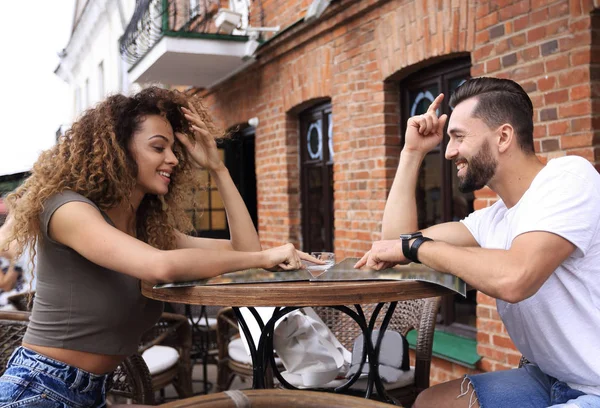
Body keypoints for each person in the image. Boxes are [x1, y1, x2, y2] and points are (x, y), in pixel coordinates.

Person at [0, 87, 319, 407]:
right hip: (38, 387)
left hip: (92, 393)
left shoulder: (146, 229)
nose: (173, 159)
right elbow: (160, 266)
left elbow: (244, 251)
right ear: (118, 150)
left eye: (173, 149)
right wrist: (265, 256)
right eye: (158, 147)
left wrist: (218, 169)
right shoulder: (68, 210)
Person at [356, 77, 600, 407]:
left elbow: (515, 278)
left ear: (503, 137)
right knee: (428, 402)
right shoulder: (494, 218)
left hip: (594, 388)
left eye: (458, 137)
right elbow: (395, 242)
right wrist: (412, 152)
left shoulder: (569, 179)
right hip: (551, 377)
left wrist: (418, 248)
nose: (449, 151)